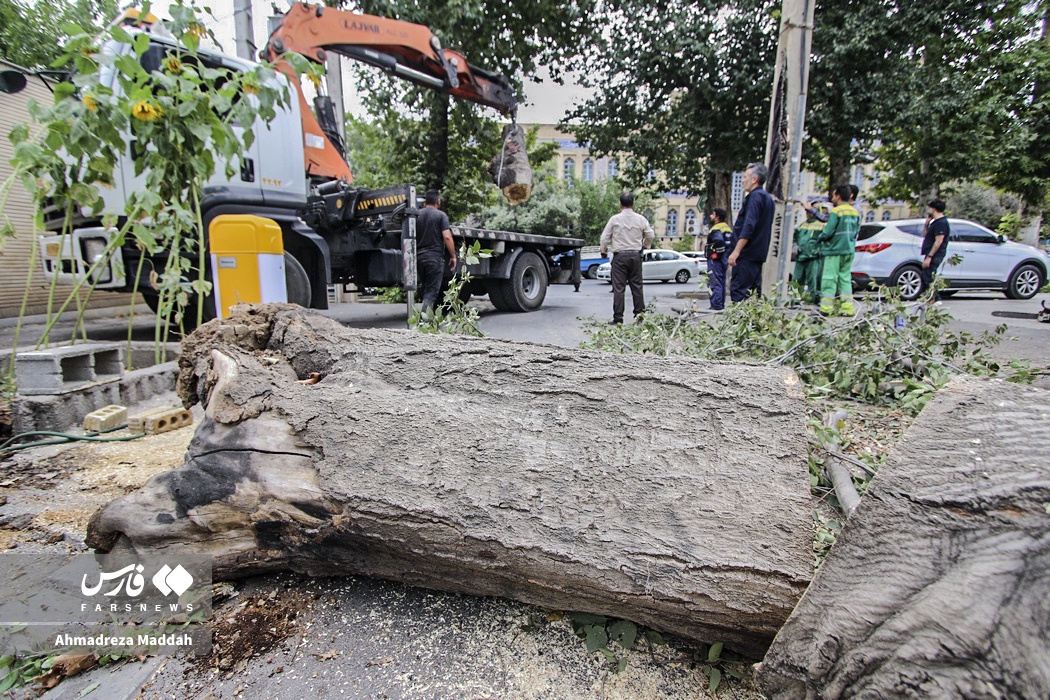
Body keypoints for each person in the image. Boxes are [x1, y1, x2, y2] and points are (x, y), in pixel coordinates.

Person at [600, 191, 655, 324]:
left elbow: (604, 237)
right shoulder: (641, 219)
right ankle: (639, 317)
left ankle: (618, 318)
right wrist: (646, 246)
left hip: (620, 257)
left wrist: (604, 251)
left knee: (619, 288)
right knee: (637, 287)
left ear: (620, 204)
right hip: (635, 256)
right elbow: (650, 235)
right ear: (633, 203)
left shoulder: (614, 219)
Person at [728, 162, 775, 302]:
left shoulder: (755, 197)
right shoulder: (767, 198)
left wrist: (736, 251)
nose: (742, 180)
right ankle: (752, 323)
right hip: (757, 255)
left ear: (754, 179)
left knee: (740, 293)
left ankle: (738, 322)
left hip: (746, 255)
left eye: (745, 177)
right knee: (753, 295)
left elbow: (749, 226)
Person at [817, 184, 861, 316]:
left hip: (834, 250)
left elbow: (828, 232)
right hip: (849, 250)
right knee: (845, 278)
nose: (832, 197)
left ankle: (826, 308)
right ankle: (848, 308)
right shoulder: (855, 212)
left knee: (829, 278)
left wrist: (820, 238)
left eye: (834, 194)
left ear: (838, 196)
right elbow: (856, 232)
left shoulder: (836, 212)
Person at [416, 189, 457, 314]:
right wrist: (453, 256)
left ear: (425, 202)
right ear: (438, 201)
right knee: (431, 291)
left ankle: (428, 318)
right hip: (433, 258)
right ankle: (424, 322)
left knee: (425, 289)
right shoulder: (440, 215)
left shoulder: (416, 215)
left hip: (419, 257)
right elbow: (447, 237)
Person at [792, 203, 827, 304]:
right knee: (796, 281)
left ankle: (813, 300)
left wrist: (819, 250)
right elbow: (795, 238)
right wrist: (794, 246)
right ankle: (795, 300)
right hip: (801, 257)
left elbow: (824, 240)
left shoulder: (822, 225)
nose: (808, 213)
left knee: (813, 281)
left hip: (813, 257)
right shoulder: (802, 224)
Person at [920, 199, 950, 300]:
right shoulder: (935, 222)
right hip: (930, 252)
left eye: (930, 208)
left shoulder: (941, 223)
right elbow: (925, 235)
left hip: (935, 254)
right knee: (926, 275)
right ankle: (931, 298)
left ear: (933, 209)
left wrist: (929, 257)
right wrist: (927, 223)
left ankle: (935, 298)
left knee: (928, 275)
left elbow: (938, 241)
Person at [705, 208, 733, 310]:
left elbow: (719, 241)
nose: (710, 216)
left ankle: (716, 304)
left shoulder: (716, 229)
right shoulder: (727, 228)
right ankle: (720, 304)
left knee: (714, 281)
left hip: (715, 260)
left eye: (712, 214)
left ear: (717, 217)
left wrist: (715, 254)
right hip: (724, 259)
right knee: (721, 281)